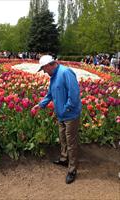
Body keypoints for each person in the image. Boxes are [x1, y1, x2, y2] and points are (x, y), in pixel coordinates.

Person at [32, 55, 82, 184]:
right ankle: (65, 159)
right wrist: (41, 104)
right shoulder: (54, 76)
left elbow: (74, 93)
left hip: (70, 115)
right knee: (63, 139)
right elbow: (50, 94)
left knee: (71, 143)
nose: (44, 71)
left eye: (44, 68)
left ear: (50, 65)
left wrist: (67, 108)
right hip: (61, 115)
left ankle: (72, 170)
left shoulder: (66, 72)